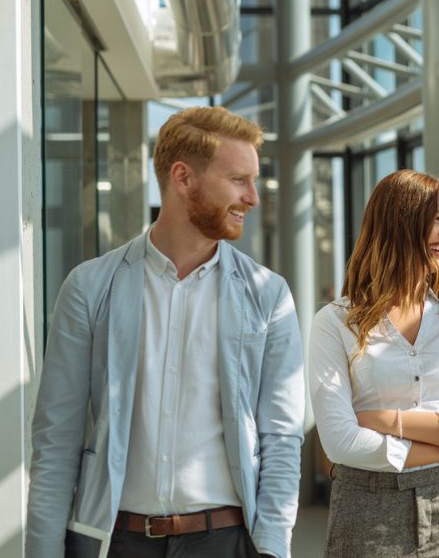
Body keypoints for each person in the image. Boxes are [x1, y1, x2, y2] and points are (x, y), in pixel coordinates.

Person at [26, 107, 305, 558]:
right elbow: (56, 440)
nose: (253, 197)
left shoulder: (268, 295)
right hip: (113, 542)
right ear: (183, 177)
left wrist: (272, 546)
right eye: (239, 180)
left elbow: (282, 435)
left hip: (228, 542)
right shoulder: (89, 287)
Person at [310, 169, 439, 557]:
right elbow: (341, 442)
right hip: (368, 513)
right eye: (436, 218)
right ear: (397, 221)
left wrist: (388, 421)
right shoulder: (334, 323)